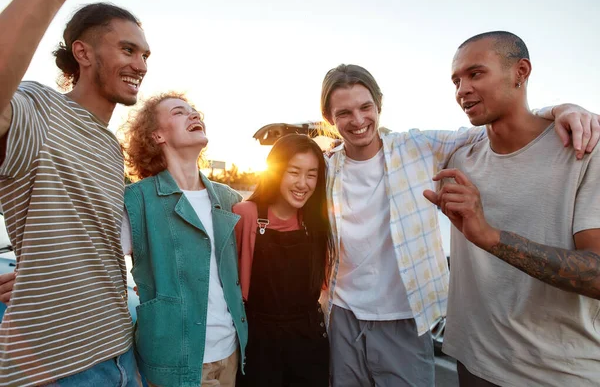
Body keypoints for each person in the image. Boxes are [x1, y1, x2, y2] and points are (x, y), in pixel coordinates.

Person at [319, 63, 599, 387]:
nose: (357, 120)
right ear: (330, 119)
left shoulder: (418, 146)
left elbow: (497, 127)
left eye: (365, 107)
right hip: (343, 315)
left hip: (406, 317)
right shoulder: (326, 167)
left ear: (378, 105)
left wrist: (560, 109)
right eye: (344, 113)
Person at [423, 31, 600, 387]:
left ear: (521, 71)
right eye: (456, 80)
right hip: (472, 361)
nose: (462, 90)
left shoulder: (584, 151)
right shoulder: (459, 157)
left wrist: (490, 237)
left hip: (556, 373)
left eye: (475, 74)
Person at [0, 0, 154, 386]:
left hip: (121, 350)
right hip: (62, 368)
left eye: (144, 55)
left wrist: (35, 270)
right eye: (127, 49)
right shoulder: (41, 109)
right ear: (83, 54)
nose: (140, 65)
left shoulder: (110, 146)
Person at [121, 92, 247, 387]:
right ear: (157, 136)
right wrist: (34, 275)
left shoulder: (229, 198)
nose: (194, 116)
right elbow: (92, 260)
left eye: (194, 112)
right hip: (175, 361)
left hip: (231, 352)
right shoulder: (137, 200)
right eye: (179, 112)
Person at [234, 134, 333, 387]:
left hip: (308, 342)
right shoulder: (246, 214)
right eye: (294, 172)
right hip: (259, 341)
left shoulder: (317, 223)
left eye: (311, 174)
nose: (303, 183)